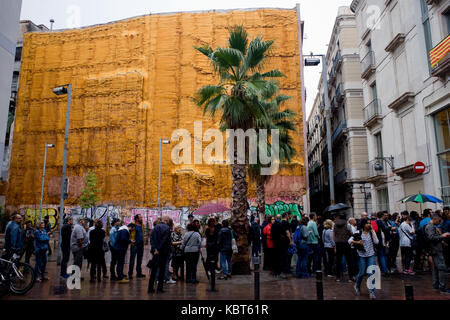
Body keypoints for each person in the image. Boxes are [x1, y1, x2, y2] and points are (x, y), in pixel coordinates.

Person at [349, 218, 379, 300]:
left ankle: (372, 291)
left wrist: (373, 231)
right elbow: (349, 240)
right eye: (367, 223)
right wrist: (357, 242)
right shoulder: (358, 232)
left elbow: (376, 242)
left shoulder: (371, 232)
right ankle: (357, 286)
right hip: (361, 255)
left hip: (371, 255)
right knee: (361, 273)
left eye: (369, 223)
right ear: (363, 225)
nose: (369, 225)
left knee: (371, 273)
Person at [424, 212, 450, 294]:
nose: (440, 222)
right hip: (436, 250)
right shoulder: (430, 226)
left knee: (436, 269)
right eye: (439, 220)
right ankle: (442, 287)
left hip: (435, 250)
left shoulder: (431, 226)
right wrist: (443, 236)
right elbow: (431, 237)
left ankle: (436, 285)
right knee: (442, 268)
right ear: (434, 219)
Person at [148, 216, 171, 293]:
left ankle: (150, 288)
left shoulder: (155, 227)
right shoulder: (167, 228)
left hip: (155, 252)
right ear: (166, 220)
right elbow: (164, 240)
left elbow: (152, 239)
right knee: (162, 270)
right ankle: (159, 289)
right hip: (163, 252)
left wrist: (155, 249)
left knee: (153, 270)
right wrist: (158, 249)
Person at [333, 212, 354, 282]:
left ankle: (338, 277)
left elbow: (334, 235)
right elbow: (351, 233)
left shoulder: (335, 225)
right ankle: (350, 277)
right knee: (349, 260)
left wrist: (335, 243)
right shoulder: (347, 225)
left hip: (338, 243)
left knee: (338, 260)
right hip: (346, 243)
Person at [128, 214, 146, 279]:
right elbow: (127, 232)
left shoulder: (142, 225)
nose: (141, 218)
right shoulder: (132, 225)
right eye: (140, 217)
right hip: (134, 245)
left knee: (139, 260)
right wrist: (130, 240)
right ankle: (130, 274)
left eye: (141, 217)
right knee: (132, 259)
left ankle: (139, 273)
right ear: (136, 219)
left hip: (141, 245)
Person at [375, 212, 390, 276]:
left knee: (382, 255)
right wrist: (389, 227)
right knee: (383, 255)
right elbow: (385, 229)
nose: (385, 216)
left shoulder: (376, 222)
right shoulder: (380, 222)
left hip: (379, 240)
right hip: (382, 240)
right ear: (382, 216)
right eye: (384, 215)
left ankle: (383, 269)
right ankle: (385, 270)